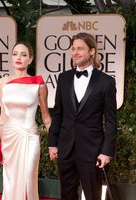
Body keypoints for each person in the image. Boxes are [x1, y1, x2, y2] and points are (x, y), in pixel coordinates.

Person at [48, 32, 117, 200]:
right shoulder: (63, 78)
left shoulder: (106, 81)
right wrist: (52, 143)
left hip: (92, 150)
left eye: (80, 48)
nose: (75, 52)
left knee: (92, 195)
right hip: (66, 148)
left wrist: (106, 151)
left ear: (92, 51)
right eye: (73, 49)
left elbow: (111, 121)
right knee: (67, 194)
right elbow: (58, 113)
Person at [0, 41, 51, 200]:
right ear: (11, 57)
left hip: (29, 136)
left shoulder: (39, 84)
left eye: (23, 54)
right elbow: (3, 116)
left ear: (30, 60)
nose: (19, 57)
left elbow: (46, 117)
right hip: (9, 138)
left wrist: (54, 141)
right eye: (15, 54)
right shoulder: (3, 83)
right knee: (10, 181)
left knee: (28, 177)